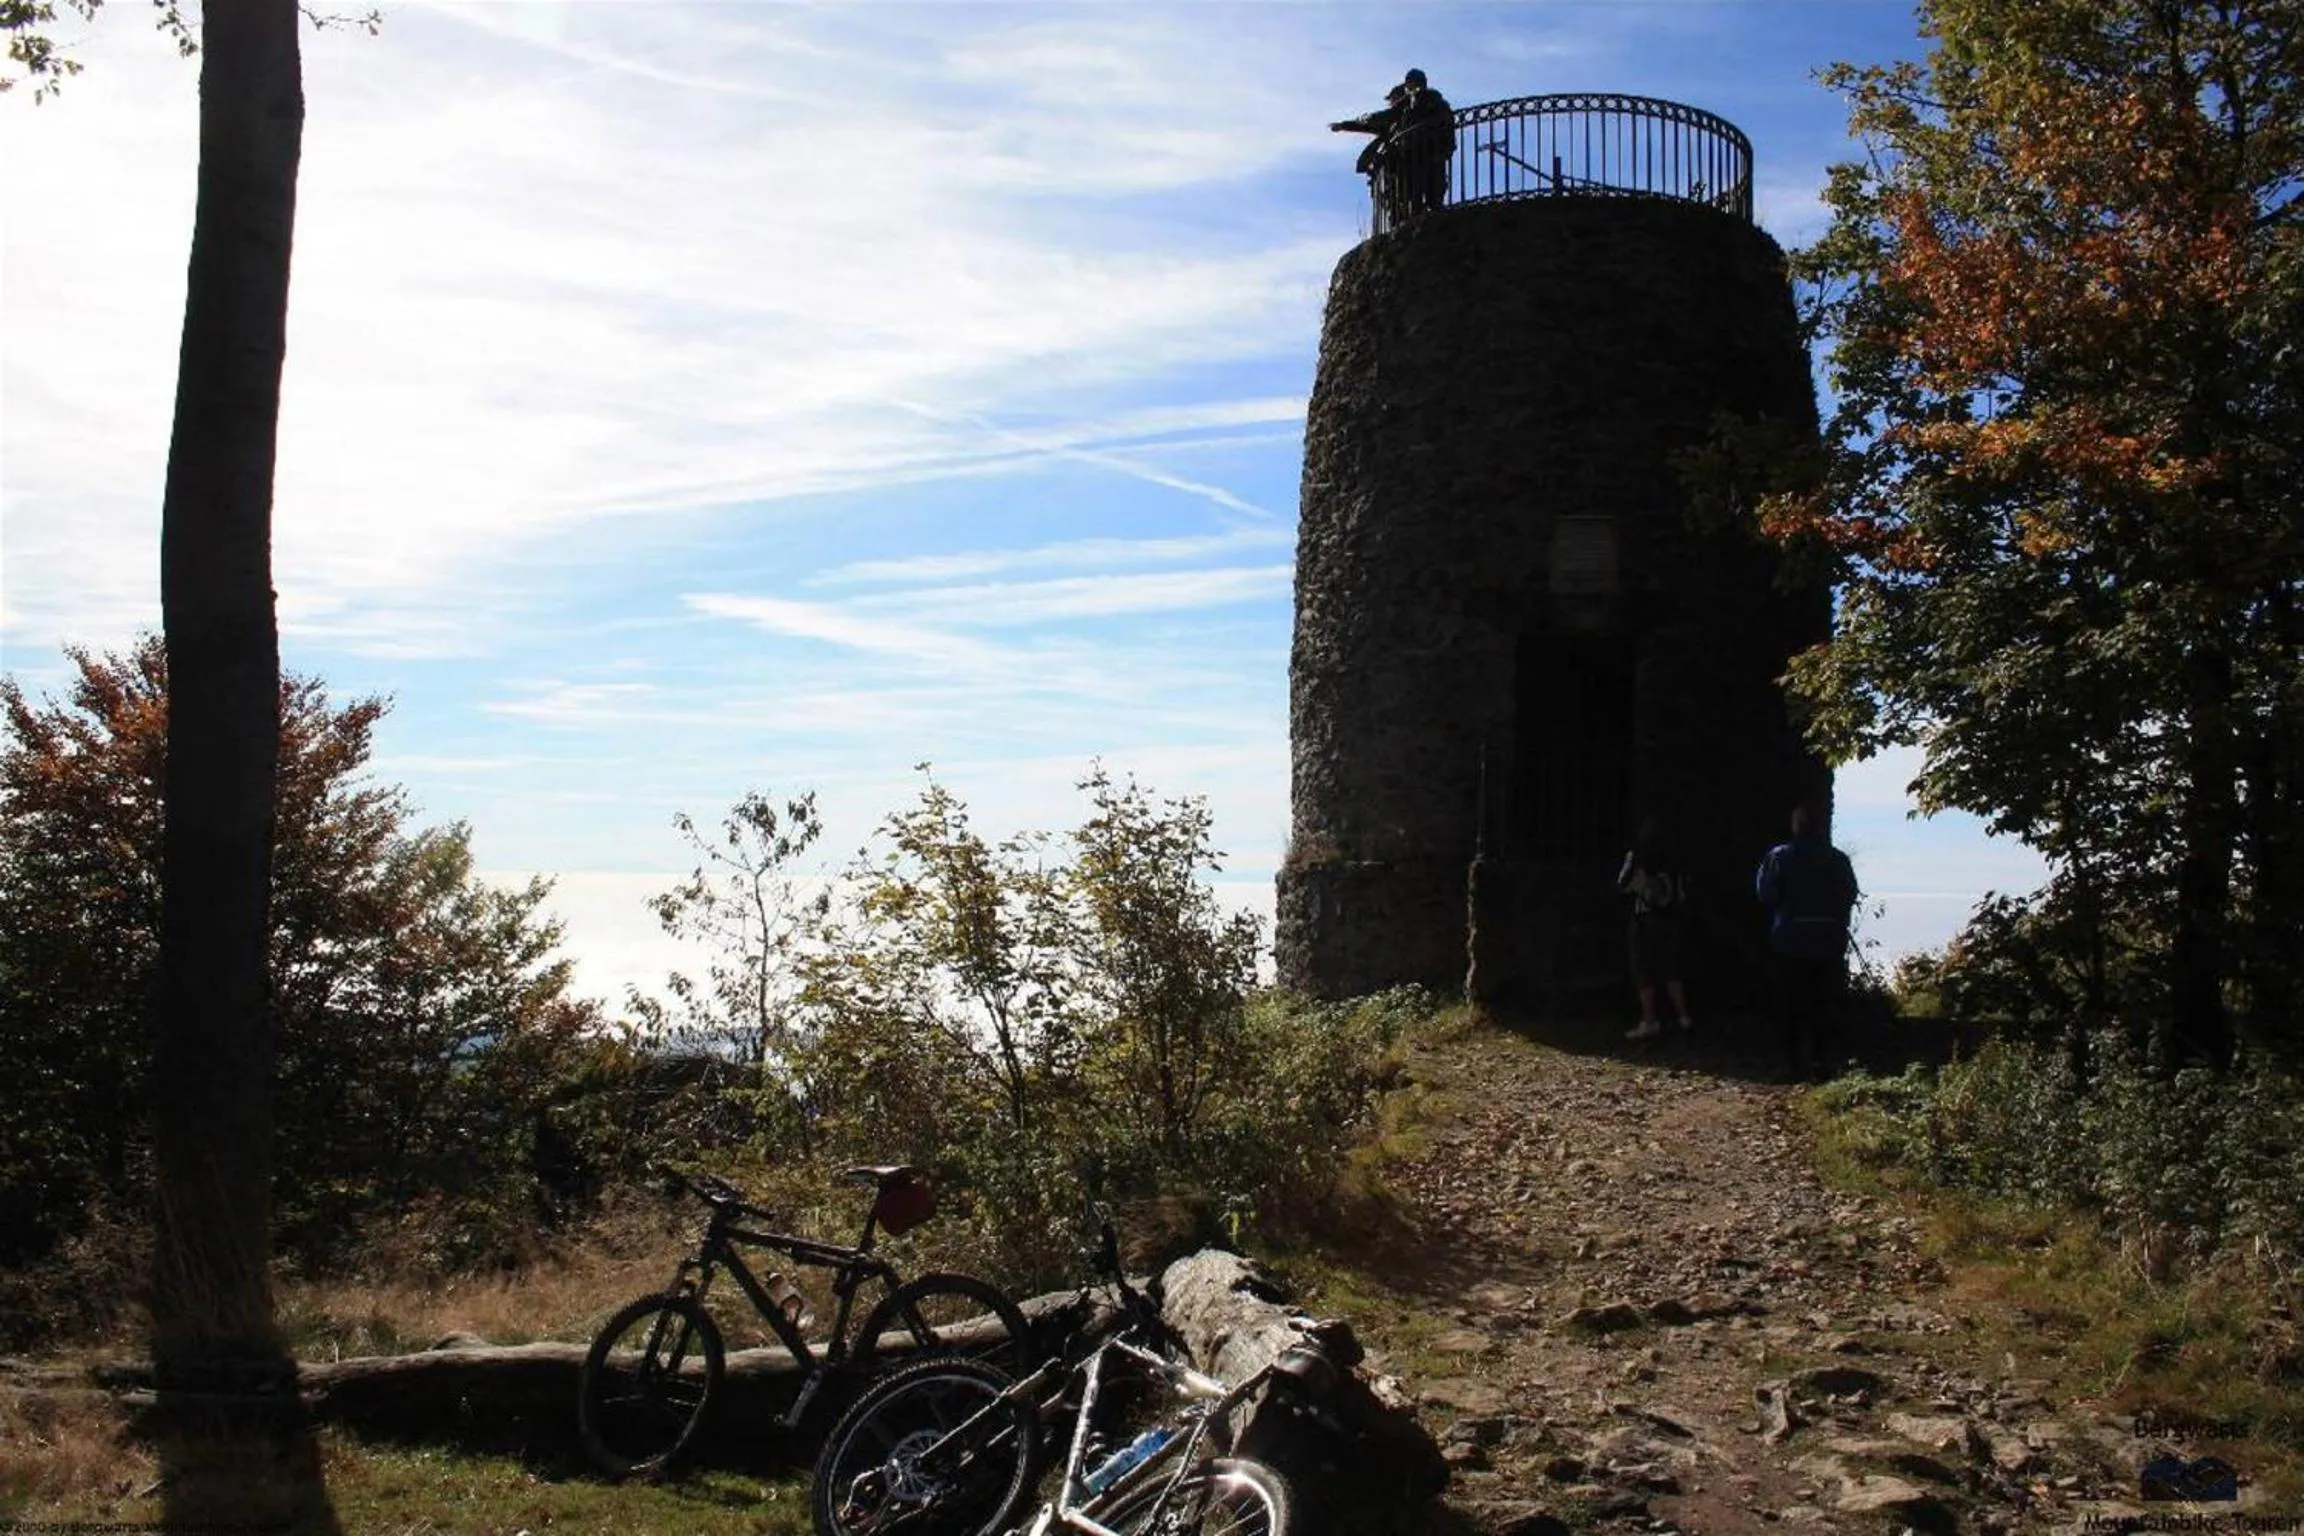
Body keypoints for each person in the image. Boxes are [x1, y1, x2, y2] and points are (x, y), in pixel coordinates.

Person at [1754, 800, 1860, 1081]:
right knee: (1823, 1002)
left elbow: (1766, 894)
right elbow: (1849, 894)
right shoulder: (1838, 859)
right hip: (1829, 941)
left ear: (1795, 827)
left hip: (1790, 939)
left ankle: (1791, 1062)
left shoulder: (1779, 857)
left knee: (1790, 1002)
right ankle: (1821, 1061)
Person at [1619, 815, 1694, 1041]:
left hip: (1645, 918)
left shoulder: (1637, 856)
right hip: (1670, 918)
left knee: (1643, 969)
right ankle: (1683, 1017)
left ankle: (1650, 1020)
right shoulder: (1675, 860)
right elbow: (1682, 892)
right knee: (1671, 968)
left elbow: (1622, 883)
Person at [1330, 82, 1412, 225]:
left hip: (1397, 162)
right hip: (1404, 160)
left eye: (1392, 99)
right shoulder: (1407, 113)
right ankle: (1401, 217)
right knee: (1401, 193)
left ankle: (1399, 219)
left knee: (1396, 193)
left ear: (1398, 97)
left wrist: (1344, 125)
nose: (1390, 103)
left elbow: (1369, 121)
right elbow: (1369, 122)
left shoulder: (1395, 115)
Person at [1395, 68, 1454, 217]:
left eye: (1410, 84)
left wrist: (1446, 148)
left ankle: (1428, 219)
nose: (1408, 88)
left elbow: (1447, 126)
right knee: (1419, 194)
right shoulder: (1409, 107)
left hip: (1429, 153)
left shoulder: (1434, 103)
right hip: (1416, 156)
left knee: (1432, 193)